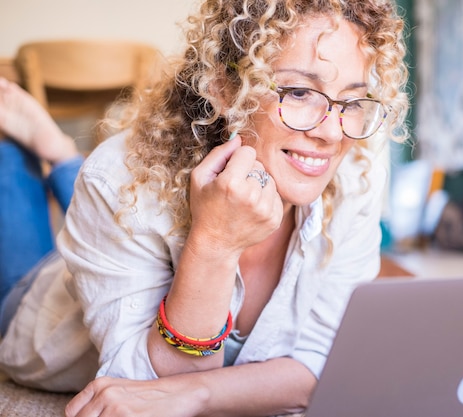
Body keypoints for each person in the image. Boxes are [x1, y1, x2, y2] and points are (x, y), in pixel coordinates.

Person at [0, 0, 409, 415]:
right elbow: (136, 390)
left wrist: (198, 392)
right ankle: (49, 152)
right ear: (223, 90)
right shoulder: (116, 179)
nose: (331, 132)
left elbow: (323, 362)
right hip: (30, 302)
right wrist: (215, 242)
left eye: (353, 102)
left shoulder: (356, 172)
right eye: (300, 92)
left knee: (122, 212)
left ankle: (60, 152)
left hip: (117, 231)